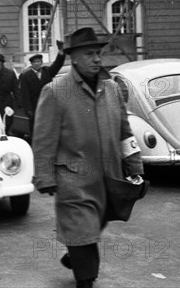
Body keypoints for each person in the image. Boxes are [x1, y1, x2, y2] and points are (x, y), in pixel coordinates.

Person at [32, 27, 144, 288]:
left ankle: (76, 254)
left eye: (98, 53)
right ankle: (86, 278)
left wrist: (134, 163)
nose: (96, 59)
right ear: (74, 58)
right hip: (74, 179)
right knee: (82, 227)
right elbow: (43, 138)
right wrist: (45, 175)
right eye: (90, 54)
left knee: (94, 224)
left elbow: (124, 131)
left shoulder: (111, 89)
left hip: (108, 176)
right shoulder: (56, 91)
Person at [18, 41, 65, 142]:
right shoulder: (26, 76)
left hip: (48, 107)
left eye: (39, 61)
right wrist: (28, 110)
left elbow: (57, 65)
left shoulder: (47, 71)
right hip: (34, 109)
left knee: (49, 131)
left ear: (41, 62)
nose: (37, 64)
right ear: (31, 64)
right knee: (36, 133)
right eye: (35, 62)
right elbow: (24, 94)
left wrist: (61, 52)